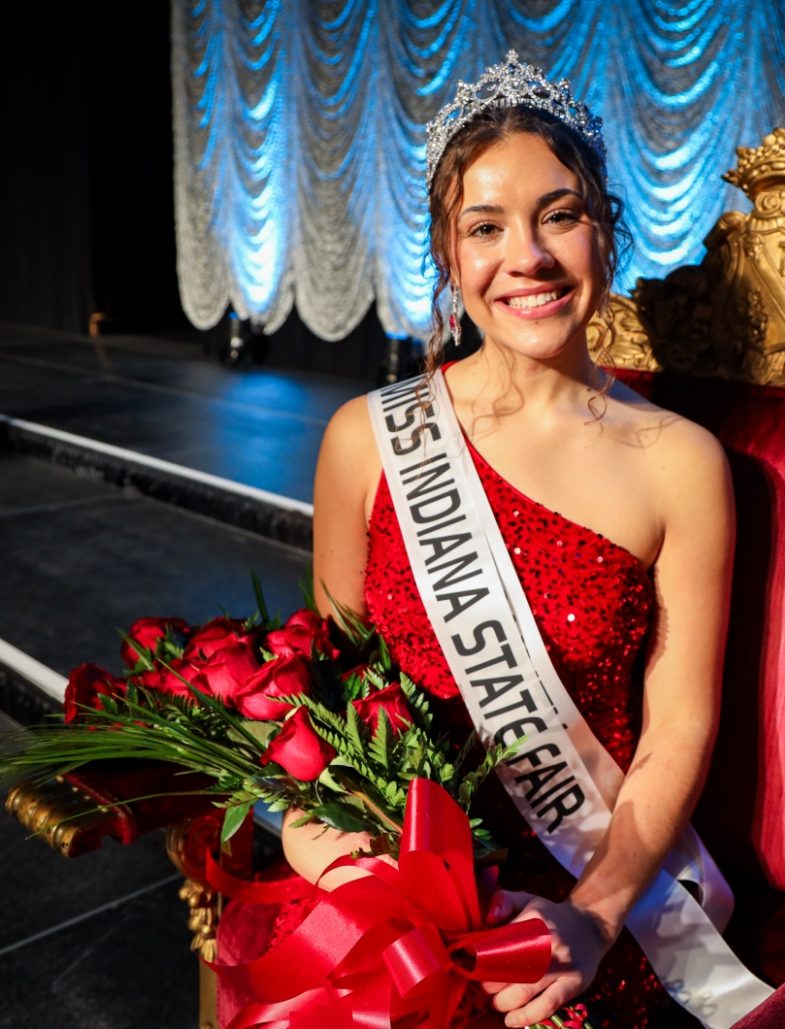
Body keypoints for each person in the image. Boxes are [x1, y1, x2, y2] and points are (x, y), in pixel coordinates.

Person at [222, 53, 736, 1028]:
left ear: (606, 231)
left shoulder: (682, 464)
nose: (529, 257)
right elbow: (318, 684)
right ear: (449, 256)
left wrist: (596, 916)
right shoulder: (366, 438)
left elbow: (679, 727)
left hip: (567, 889)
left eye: (560, 214)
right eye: (486, 226)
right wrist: (308, 833)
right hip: (382, 864)